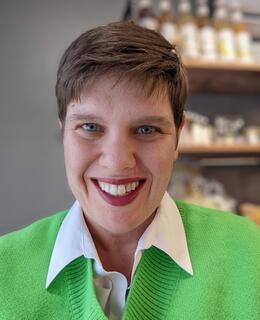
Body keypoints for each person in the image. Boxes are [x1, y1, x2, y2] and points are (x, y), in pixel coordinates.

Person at [0, 21, 259, 320]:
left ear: (178, 135)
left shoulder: (251, 256)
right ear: (64, 132)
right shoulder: (5, 270)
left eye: (146, 129)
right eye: (90, 127)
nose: (117, 161)